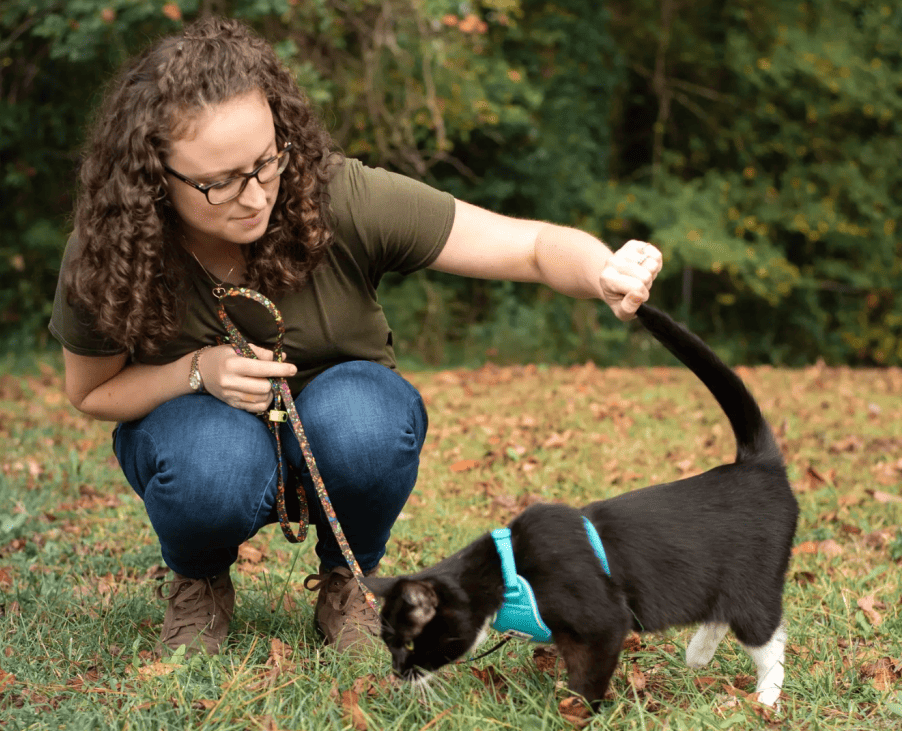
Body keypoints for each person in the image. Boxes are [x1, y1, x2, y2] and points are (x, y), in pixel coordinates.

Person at [49, 16, 662, 659]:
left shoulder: (337, 196)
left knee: (367, 416)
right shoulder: (109, 251)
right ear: (153, 176)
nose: (255, 196)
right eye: (220, 182)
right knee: (209, 459)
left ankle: (350, 579)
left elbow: (532, 247)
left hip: (339, 431)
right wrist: (196, 370)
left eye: (266, 162)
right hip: (203, 443)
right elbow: (92, 391)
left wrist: (602, 270)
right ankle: (199, 579)